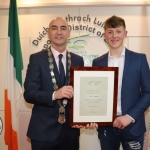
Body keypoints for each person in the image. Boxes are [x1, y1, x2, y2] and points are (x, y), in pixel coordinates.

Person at [24, 17, 84, 150]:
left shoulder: (78, 60)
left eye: (63, 28)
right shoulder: (36, 59)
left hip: (70, 132)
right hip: (43, 133)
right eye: (54, 28)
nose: (59, 32)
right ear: (48, 33)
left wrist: (82, 117)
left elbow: (80, 94)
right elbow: (29, 94)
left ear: (68, 33)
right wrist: (54, 95)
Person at [92, 15, 150, 150]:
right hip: (106, 127)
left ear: (125, 34)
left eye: (118, 31)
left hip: (133, 126)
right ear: (105, 35)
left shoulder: (139, 59)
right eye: (110, 32)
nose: (114, 36)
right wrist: (91, 116)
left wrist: (129, 117)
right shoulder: (98, 63)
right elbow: (95, 95)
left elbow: (148, 93)